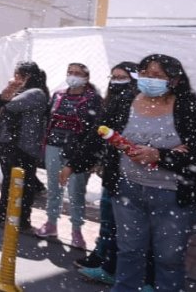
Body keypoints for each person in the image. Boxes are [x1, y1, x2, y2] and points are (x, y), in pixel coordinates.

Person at [69, 53, 196, 292]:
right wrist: (74, 164)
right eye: (145, 74)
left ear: (173, 80)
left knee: (168, 258)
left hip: (173, 195)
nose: (149, 79)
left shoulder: (187, 107)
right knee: (129, 251)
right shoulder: (125, 101)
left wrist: (161, 155)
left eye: (157, 75)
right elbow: (99, 133)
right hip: (127, 189)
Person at [74, 62, 139, 285]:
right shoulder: (113, 103)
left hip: (127, 174)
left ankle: (112, 267)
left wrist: (78, 162)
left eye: (122, 77)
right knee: (108, 220)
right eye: (114, 77)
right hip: (112, 171)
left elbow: (106, 133)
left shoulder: (135, 104)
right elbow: (101, 133)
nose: (116, 81)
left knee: (118, 224)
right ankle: (101, 258)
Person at [0, 61, 49, 231]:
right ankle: (4, 212)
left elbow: (9, 105)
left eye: (17, 75)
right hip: (13, 145)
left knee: (23, 183)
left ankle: (21, 218)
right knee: (10, 181)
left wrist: (9, 90)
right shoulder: (27, 92)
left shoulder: (35, 93)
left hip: (24, 147)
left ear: (25, 77)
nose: (14, 79)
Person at [36, 62, 102, 248]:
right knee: (54, 186)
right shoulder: (58, 95)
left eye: (77, 73)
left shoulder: (93, 99)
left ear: (86, 77)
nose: (73, 76)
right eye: (70, 72)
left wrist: (89, 155)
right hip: (54, 146)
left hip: (78, 151)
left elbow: (93, 127)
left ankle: (76, 229)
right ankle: (51, 223)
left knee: (76, 190)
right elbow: (49, 119)